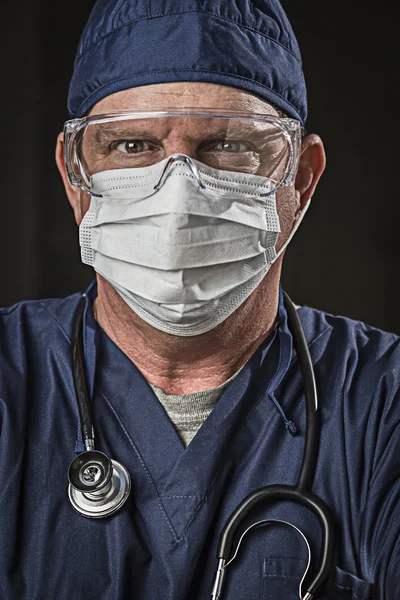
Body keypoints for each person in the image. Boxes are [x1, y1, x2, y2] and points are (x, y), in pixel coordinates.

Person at [0, 1, 398, 598]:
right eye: (132, 146)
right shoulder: (11, 378)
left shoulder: (382, 401)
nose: (179, 195)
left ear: (302, 179)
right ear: (74, 177)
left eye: (230, 146)